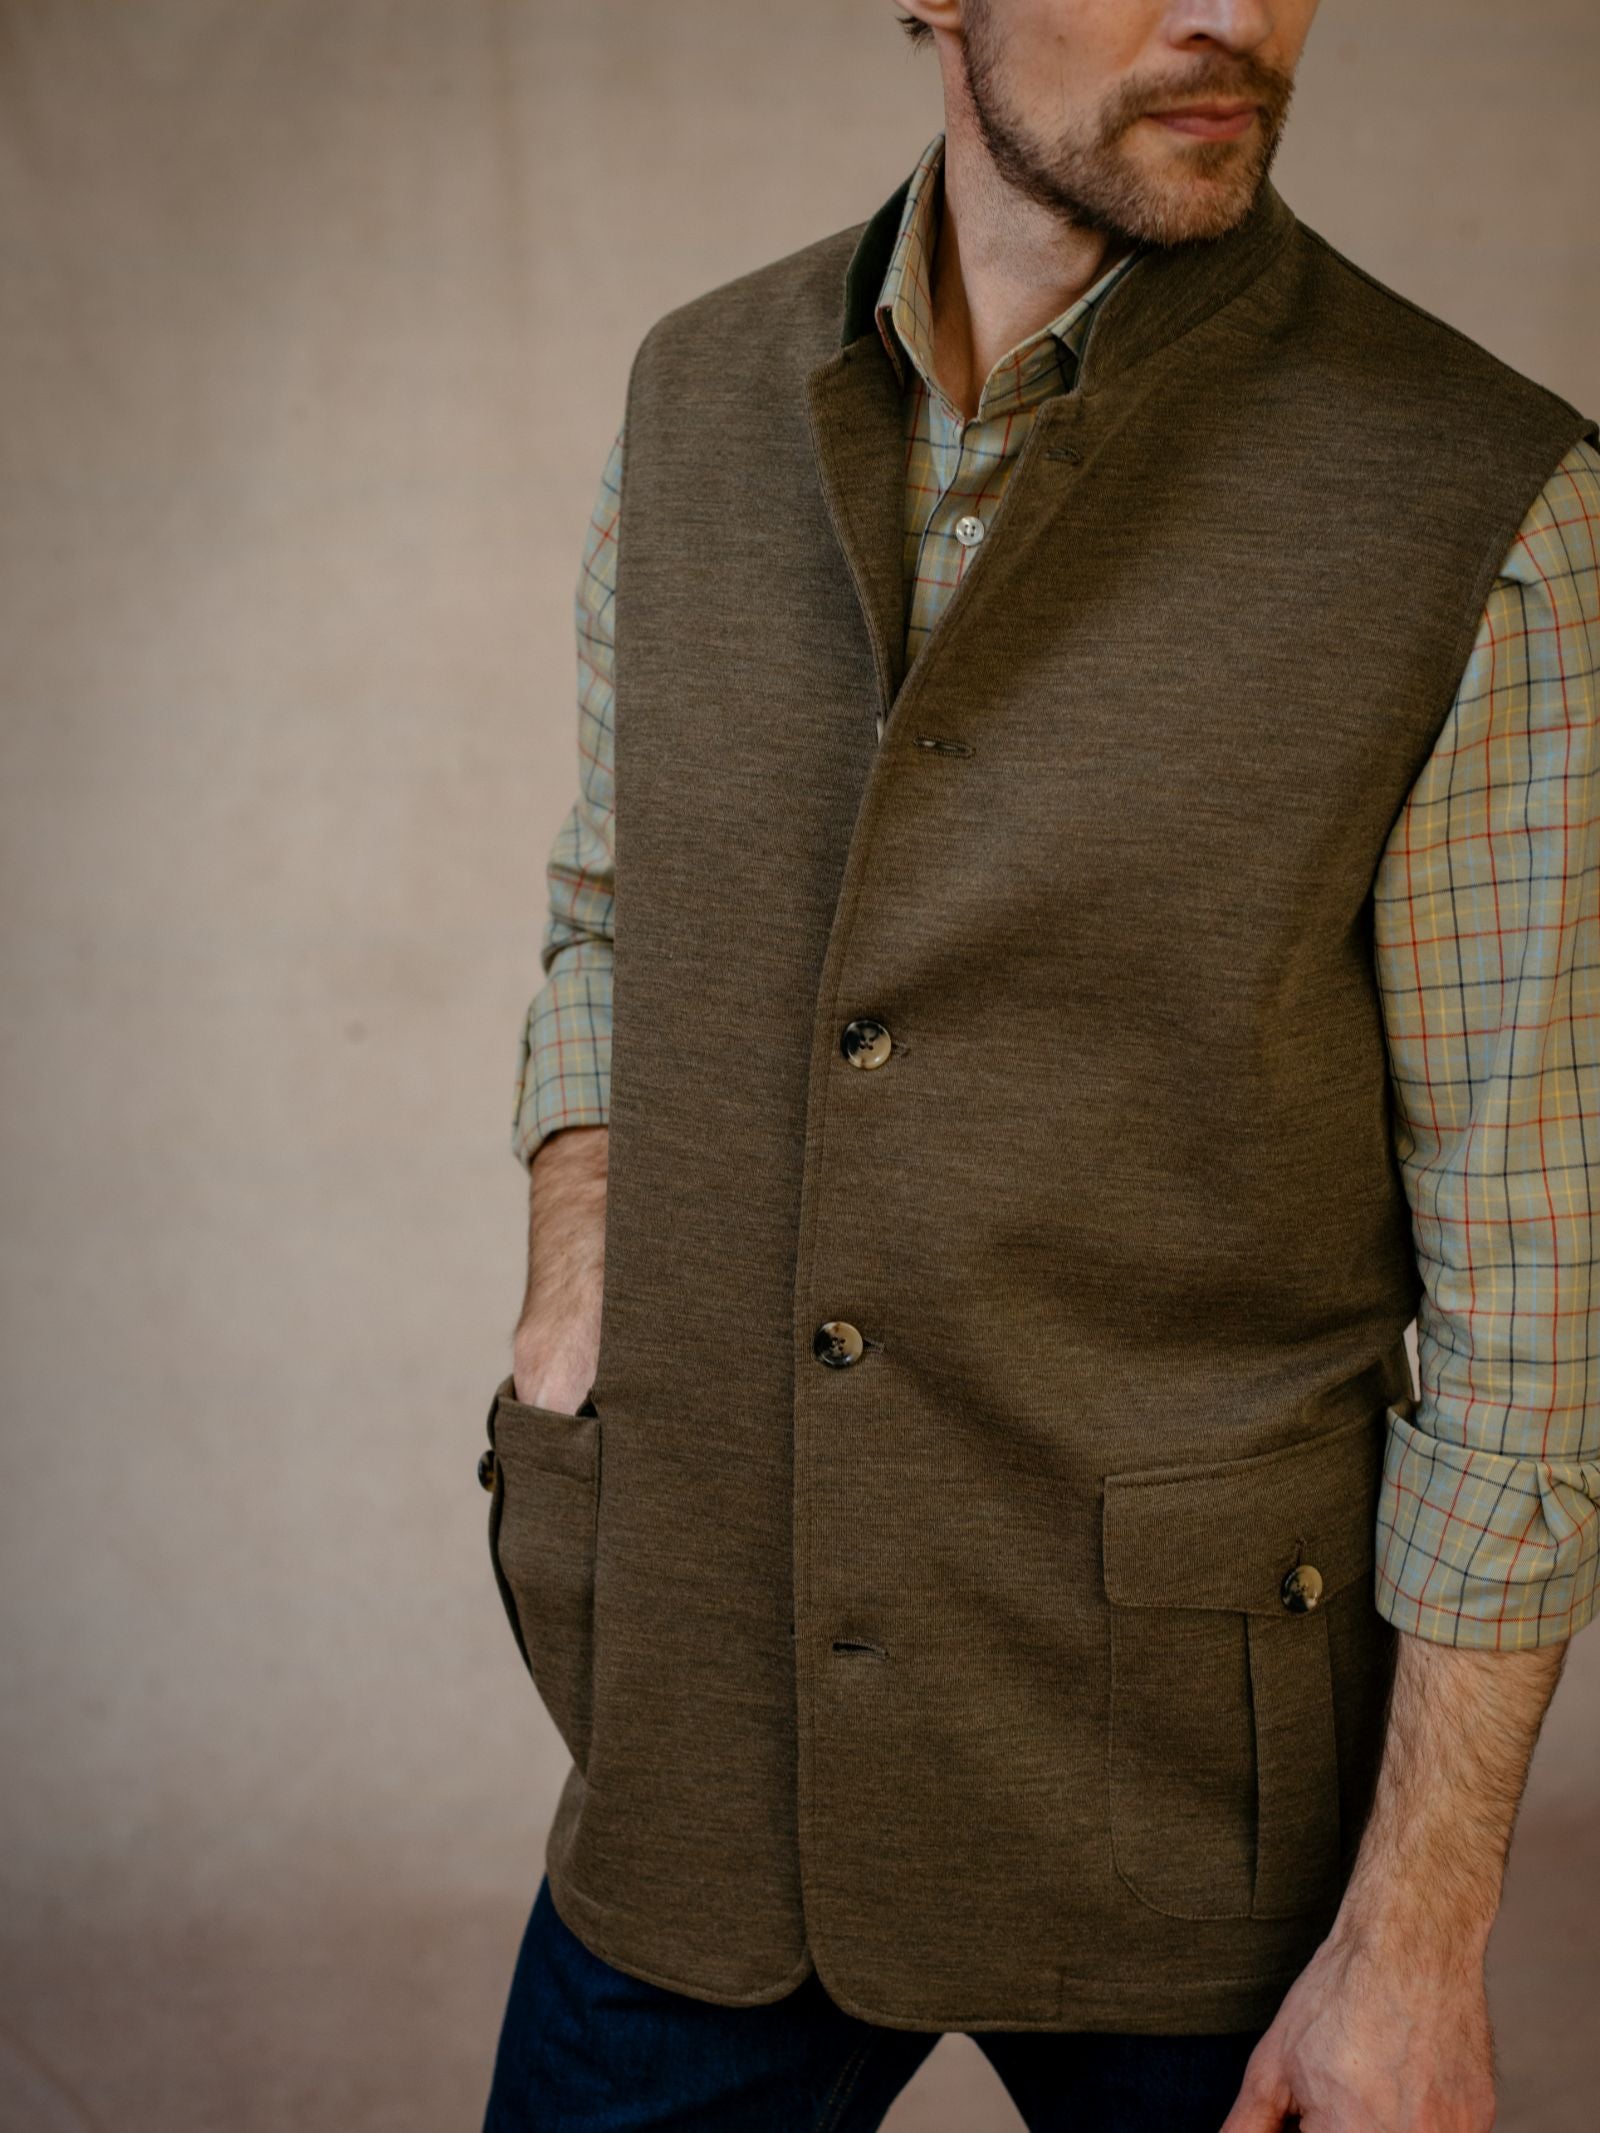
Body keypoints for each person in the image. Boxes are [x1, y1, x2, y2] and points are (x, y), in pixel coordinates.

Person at [479, 4, 1600, 2128]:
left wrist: (1417, 1931)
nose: (1227, 13)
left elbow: (1527, 1267)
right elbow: (614, 907)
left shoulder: (1485, 501)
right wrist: (576, 1273)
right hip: (712, 1716)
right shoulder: (693, 391)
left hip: (1185, 1793)